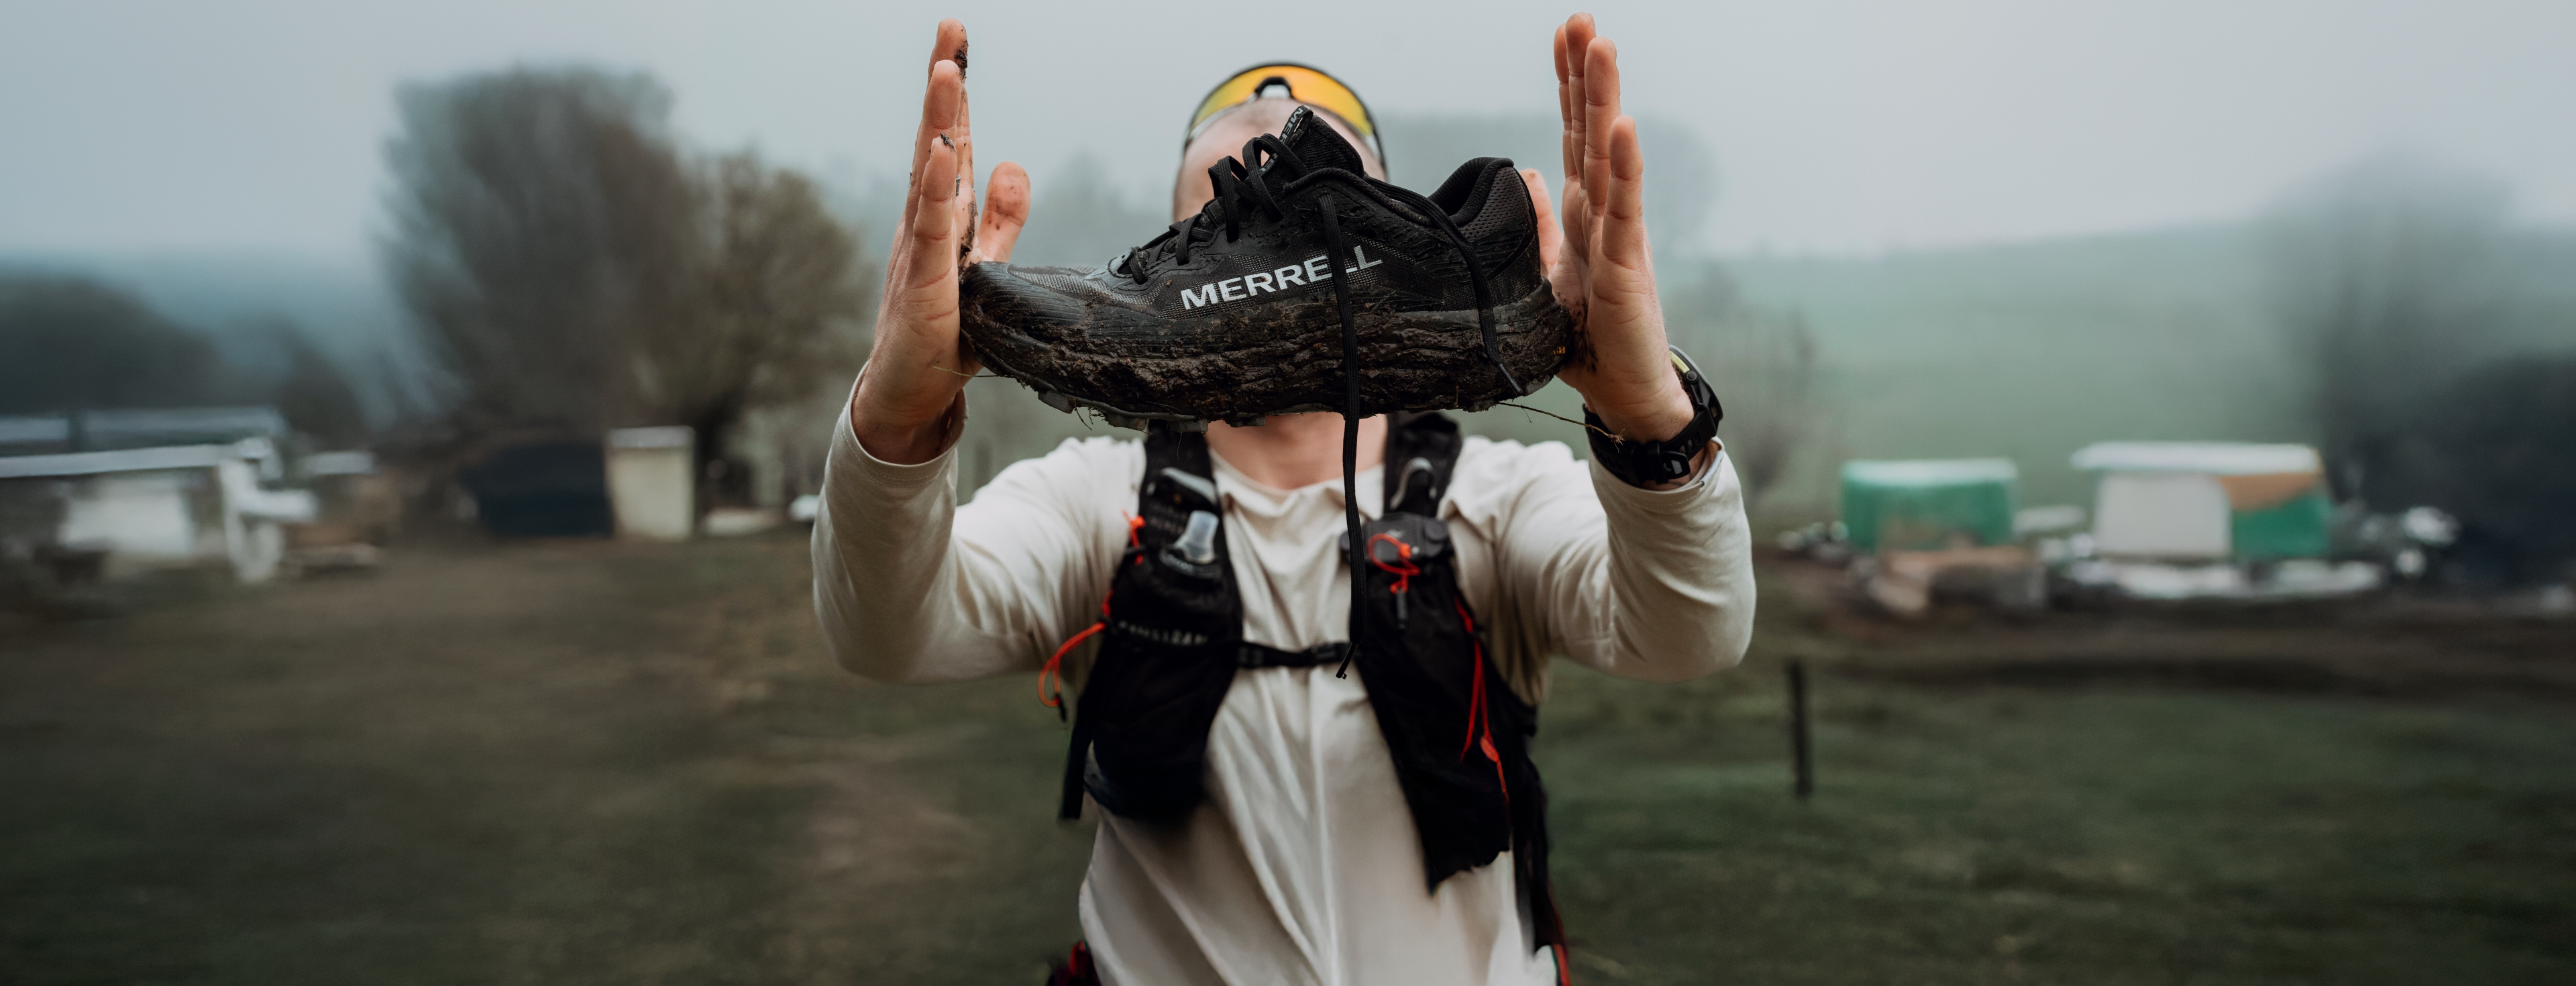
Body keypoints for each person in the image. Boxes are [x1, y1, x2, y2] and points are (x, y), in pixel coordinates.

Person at [814, 13, 1755, 985]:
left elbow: (1692, 631)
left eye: (1306, 204)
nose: (1265, 224)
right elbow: (886, 632)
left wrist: (1651, 416)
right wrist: (897, 423)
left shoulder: (1491, 498)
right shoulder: (1099, 504)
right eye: (1236, 211)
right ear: (1188, 257)